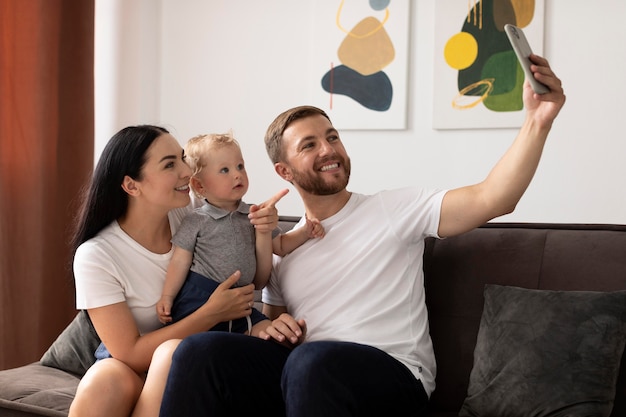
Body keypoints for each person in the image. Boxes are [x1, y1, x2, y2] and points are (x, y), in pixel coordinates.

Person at [159, 54, 566, 416]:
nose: (328, 149)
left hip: (393, 380)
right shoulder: (280, 249)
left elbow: (493, 198)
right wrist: (264, 329)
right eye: (310, 144)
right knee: (197, 351)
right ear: (284, 172)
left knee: (310, 362)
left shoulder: (393, 210)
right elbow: (271, 322)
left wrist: (537, 121)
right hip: (308, 380)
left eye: (332, 136)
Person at [67, 125, 284, 417]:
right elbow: (128, 353)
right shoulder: (96, 255)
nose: (186, 171)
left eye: (182, 158)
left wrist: (264, 223)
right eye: (170, 164)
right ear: (132, 185)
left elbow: (236, 210)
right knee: (103, 380)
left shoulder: (191, 213)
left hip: (186, 362)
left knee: (171, 355)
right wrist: (211, 313)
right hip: (133, 363)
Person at [156, 131, 324, 335]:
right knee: (198, 340)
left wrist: (306, 231)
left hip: (242, 300)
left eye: (240, 166)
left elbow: (279, 246)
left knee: (268, 331)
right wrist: (167, 297)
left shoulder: (254, 214)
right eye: (224, 170)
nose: (237, 174)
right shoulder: (196, 219)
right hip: (200, 297)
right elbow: (179, 262)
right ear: (199, 185)